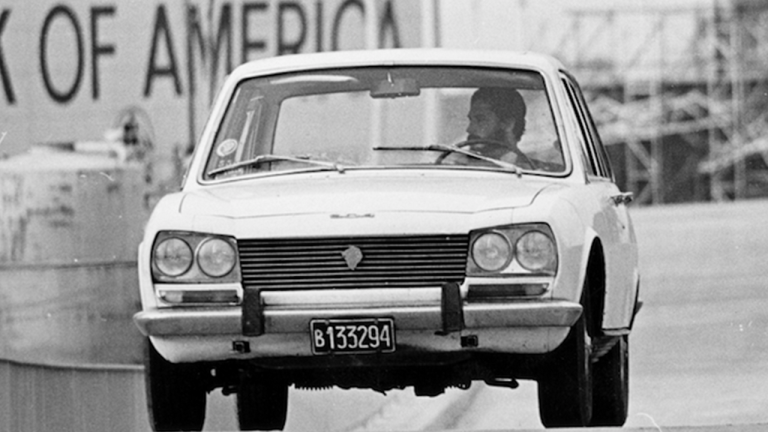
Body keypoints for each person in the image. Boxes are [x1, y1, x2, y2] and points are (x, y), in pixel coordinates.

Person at [462, 87, 530, 165]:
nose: (469, 129)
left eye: (481, 120)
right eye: (471, 120)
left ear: (508, 123)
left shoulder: (530, 170)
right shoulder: (457, 166)